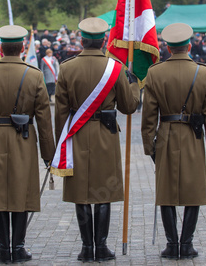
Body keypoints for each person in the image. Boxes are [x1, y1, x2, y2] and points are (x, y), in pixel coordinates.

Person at [51, 18, 139, 262]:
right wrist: (133, 84)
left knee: (81, 192)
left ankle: (86, 248)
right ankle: (101, 247)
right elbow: (129, 106)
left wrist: (60, 144)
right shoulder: (116, 67)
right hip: (105, 135)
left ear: (81, 40)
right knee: (103, 193)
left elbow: (60, 112)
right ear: (103, 41)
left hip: (76, 135)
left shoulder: (67, 68)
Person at [0, 25, 56, 263]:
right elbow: (44, 120)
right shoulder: (34, 75)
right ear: (22, 48)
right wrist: (48, 155)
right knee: (21, 192)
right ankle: (18, 248)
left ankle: (3, 249)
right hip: (24, 139)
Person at [142, 23, 206, 260]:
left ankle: (171, 244)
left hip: (165, 133)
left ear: (167, 48)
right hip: (193, 136)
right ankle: (186, 244)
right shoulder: (203, 72)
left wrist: (150, 146)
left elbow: (148, 116)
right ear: (188, 46)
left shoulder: (155, 72)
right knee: (193, 190)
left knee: (166, 190)